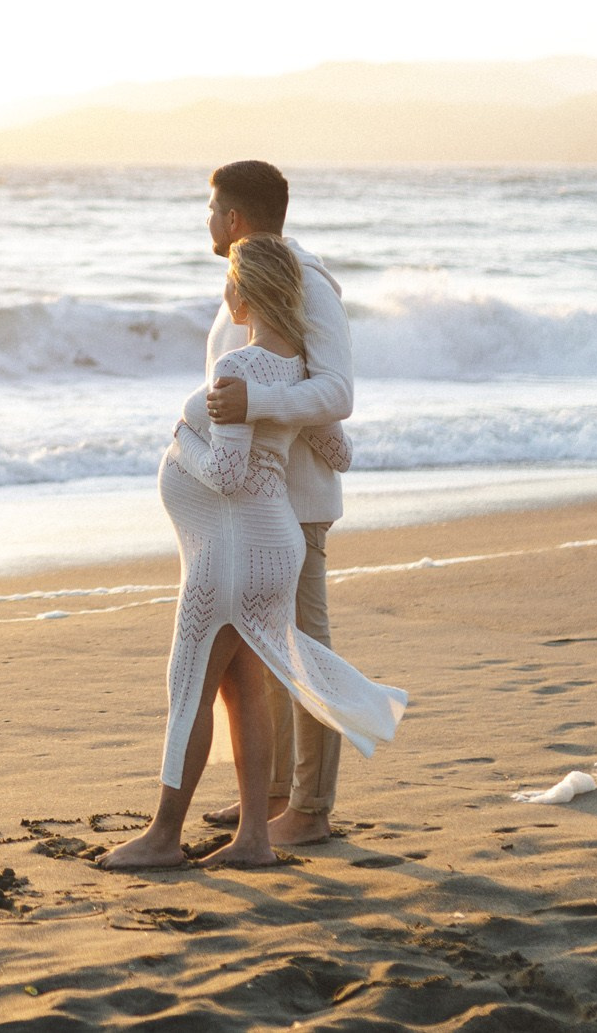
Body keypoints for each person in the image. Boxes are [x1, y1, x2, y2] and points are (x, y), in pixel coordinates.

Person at [101, 232, 405, 869]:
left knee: (188, 687)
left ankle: (162, 837)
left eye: (229, 283)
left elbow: (231, 476)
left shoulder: (237, 369)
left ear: (246, 293)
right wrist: (282, 425)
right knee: (243, 688)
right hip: (274, 547)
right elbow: (339, 452)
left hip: (232, 553)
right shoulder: (299, 372)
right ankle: (254, 840)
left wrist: (183, 442)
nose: (224, 292)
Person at [200, 159, 358, 847]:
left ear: (235, 216)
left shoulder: (308, 279)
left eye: (212, 207)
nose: (205, 219)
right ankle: (266, 792)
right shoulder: (253, 272)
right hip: (252, 500)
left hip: (296, 502)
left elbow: (337, 391)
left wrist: (256, 401)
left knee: (303, 652)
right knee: (258, 652)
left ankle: (312, 808)